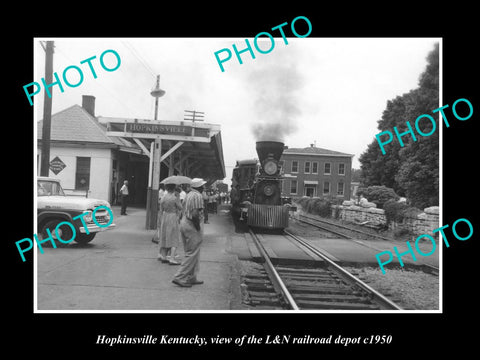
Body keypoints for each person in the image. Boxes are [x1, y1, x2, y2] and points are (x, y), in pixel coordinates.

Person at [172, 178, 206, 287]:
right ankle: (179, 277)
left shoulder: (188, 194)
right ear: (199, 187)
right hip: (192, 224)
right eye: (202, 186)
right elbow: (195, 214)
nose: (204, 187)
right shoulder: (198, 196)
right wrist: (198, 228)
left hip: (184, 222)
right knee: (192, 253)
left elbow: (183, 210)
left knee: (192, 251)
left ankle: (192, 277)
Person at [157, 183, 183, 265]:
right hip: (172, 217)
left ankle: (164, 257)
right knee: (174, 236)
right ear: (174, 188)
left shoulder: (163, 197)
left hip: (165, 217)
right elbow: (180, 207)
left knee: (164, 236)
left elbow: (161, 209)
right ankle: (172, 258)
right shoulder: (174, 198)